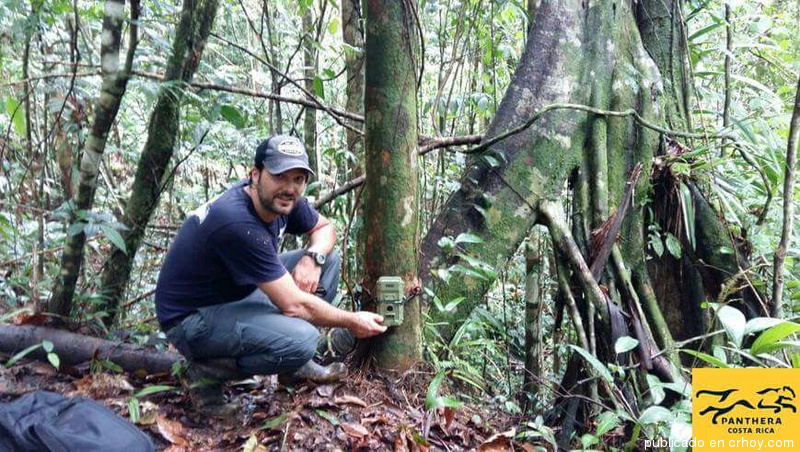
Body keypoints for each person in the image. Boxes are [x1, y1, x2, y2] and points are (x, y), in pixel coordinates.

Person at [154, 135, 386, 416]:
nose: (289, 188)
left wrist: (313, 258)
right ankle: (206, 372)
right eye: (279, 176)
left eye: (298, 179)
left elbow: (325, 229)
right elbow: (295, 305)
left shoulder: (285, 200)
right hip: (191, 318)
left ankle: (292, 370)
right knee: (302, 340)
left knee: (328, 259)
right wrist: (351, 320)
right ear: (255, 175)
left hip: (236, 291)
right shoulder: (237, 222)